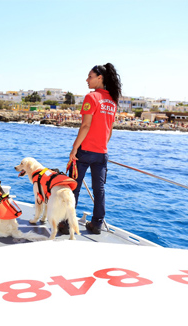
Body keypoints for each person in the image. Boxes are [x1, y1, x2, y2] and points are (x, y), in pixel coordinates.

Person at [68, 63, 122, 235]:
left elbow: (85, 126)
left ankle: (67, 223)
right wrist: (101, 145)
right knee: (99, 190)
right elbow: (109, 130)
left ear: (100, 78)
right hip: (102, 152)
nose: (87, 79)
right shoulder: (112, 101)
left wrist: (74, 149)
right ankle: (97, 224)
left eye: (90, 76)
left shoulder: (92, 97)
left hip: (85, 151)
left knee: (73, 187)